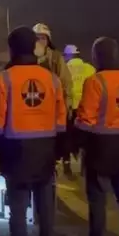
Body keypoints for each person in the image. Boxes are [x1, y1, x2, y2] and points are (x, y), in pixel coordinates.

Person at [0, 26, 67, 236]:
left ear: (11, 49)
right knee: (46, 214)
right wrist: (59, 153)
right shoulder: (52, 79)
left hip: (14, 153)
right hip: (45, 153)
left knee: (17, 214)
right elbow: (62, 122)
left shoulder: (4, 79)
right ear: (34, 47)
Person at [72, 37, 119, 236]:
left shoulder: (95, 82)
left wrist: (73, 143)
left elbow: (86, 122)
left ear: (97, 57)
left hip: (99, 149)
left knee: (98, 200)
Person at [33, 23, 76, 176]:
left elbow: (66, 82)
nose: (40, 41)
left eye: (43, 38)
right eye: (37, 38)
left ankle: (54, 167)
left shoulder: (56, 58)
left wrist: (68, 105)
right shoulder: (27, 58)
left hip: (52, 108)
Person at [63, 44, 96, 176]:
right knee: (86, 140)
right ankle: (84, 168)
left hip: (70, 109)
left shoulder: (64, 69)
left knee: (67, 138)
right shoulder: (89, 68)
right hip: (86, 109)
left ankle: (67, 167)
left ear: (68, 56)